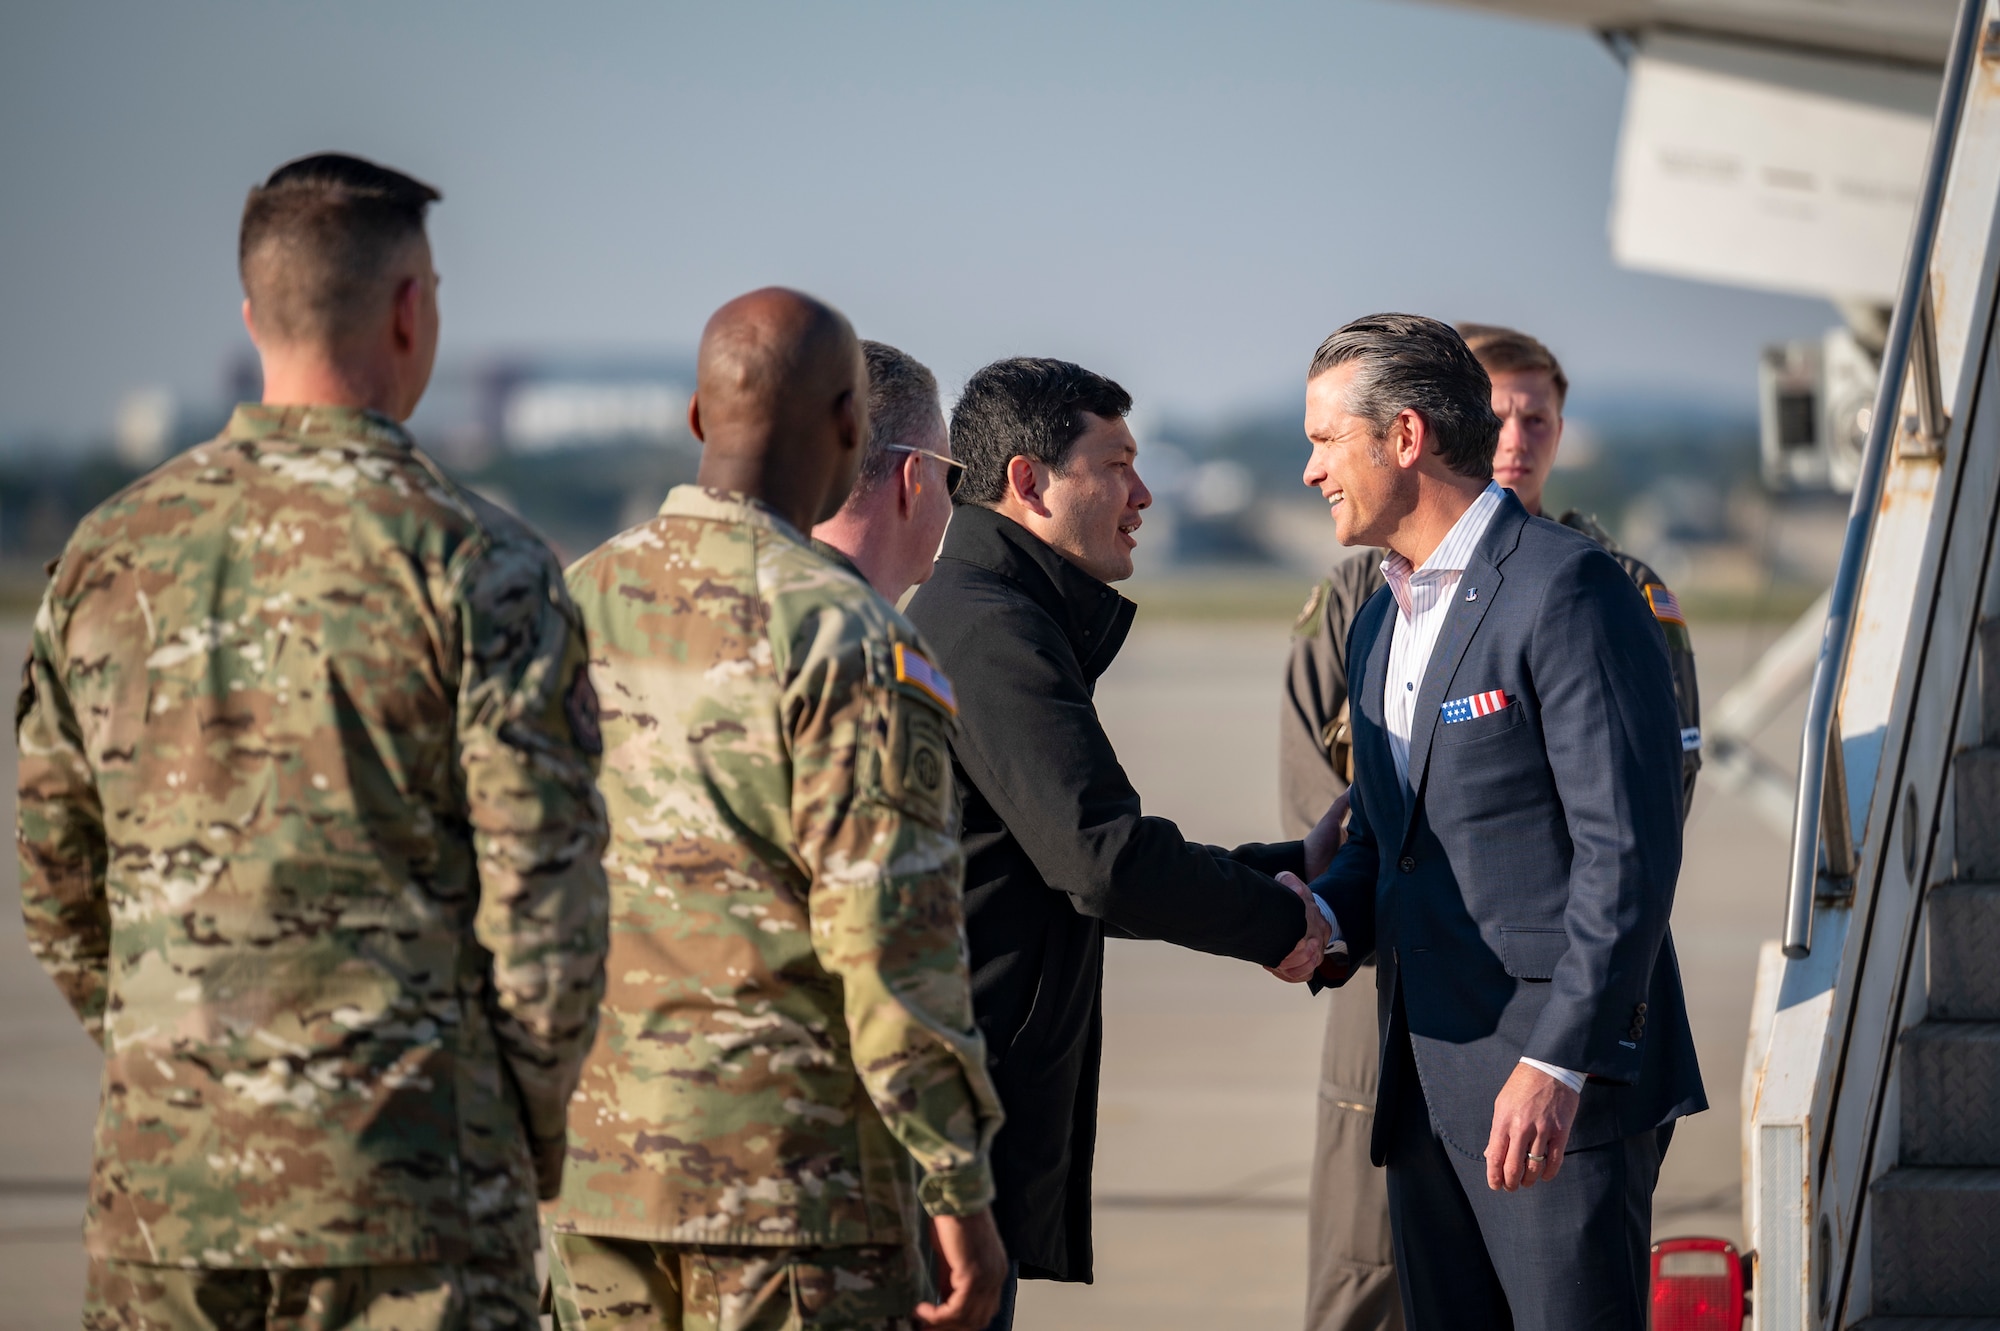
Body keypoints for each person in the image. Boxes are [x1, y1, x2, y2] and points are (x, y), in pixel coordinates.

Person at [16, 153, 611, 1329]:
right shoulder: (475, 559)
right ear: (410, 310)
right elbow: (545, 902)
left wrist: (174, 1055)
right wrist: (520, 1128)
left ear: (253, 316)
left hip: (165, 1193)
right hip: (412, 1196)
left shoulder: (107, 553)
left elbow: (56, 875)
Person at [543, 289, 1008, 1331]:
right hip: (784, 1187)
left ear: (697, 418)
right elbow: (890, 941)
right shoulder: (846, 636)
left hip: (594, 1172)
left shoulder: (570, 599)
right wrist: (956, 1184)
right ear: (848, 425)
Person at [1281, 323, 1703, 1331]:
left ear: (1405, 437)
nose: (1310, 470)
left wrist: (1558, 1061)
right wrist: (1321, 920)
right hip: (1425, 1093)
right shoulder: (1377, 618)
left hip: (1552, 1097)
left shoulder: (1570, 588)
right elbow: (1386, 840)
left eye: (1325, 440)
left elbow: (1627, 855)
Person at [903, 357, 1340, 1324]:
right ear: (1028, 481)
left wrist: (1283, 870)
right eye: (1115, 465)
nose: (1141, 495)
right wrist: (1280, 922)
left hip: (968, 1106)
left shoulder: (987, 611)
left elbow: (1059, 859)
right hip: (954, 1123)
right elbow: (1100, 860)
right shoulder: (991, 630)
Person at [813, 339, 961, 601]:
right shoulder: (857, 623)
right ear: (913, 479)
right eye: (950, 477)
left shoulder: (742, 592)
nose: (951, 501)